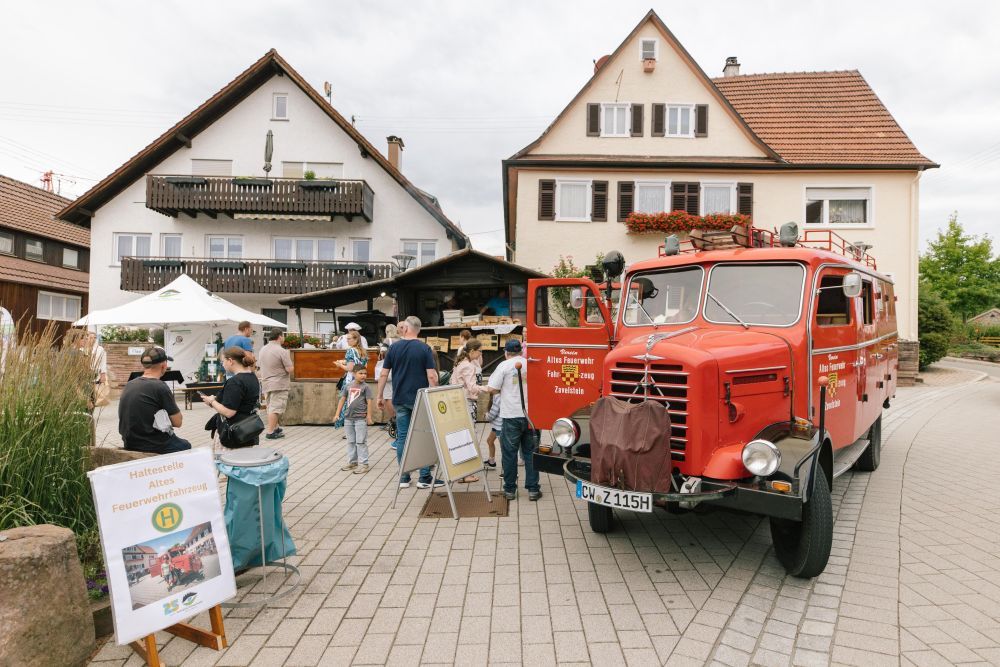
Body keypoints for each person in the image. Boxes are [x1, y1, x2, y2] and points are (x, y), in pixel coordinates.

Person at [377, 316, 442, 489]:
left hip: (399, 399)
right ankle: (424, 477)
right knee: (422, 437)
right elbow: (432, 376)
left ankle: (404, 477)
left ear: (406, 328)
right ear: (418, 330)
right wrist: (435, 395)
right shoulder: (424, 348)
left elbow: (383, 374)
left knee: (403, 438)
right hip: (419, 399)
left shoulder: (393, 348)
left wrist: (379, 396)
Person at [484, 339, 540, 501]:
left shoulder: (503, 366)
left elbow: (492, 388)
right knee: (531, 453)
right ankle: (533, 490)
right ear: (521, 352)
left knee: (509, 454)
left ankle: (509, 490)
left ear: (506, 353)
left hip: (511, 416)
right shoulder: (532, 364)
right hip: (532, 416)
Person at [118, 346, 191, 454]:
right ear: (164, 365)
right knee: (186, 445)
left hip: (130, 443)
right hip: (153, 444)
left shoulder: (130, 384)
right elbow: (178, 422)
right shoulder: (160, 387)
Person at [203, 347, 261, 449]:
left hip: (233, 433)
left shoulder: (235, 381)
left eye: (223, 362)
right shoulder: (252, 377)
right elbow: (241, 400)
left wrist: (211, 401)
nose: (223, 365)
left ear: (230, 361)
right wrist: (217, 399)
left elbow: (229, 412)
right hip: (247, 429)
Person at [449, 338, 483, 483]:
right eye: (480, 351)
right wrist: (487, 388)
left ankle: (461, 472)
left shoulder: (460, 363)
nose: (481, 354)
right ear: (472, 351)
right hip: (467, 402)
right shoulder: (469, 366)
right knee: (469, 436)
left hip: (457, 402)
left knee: (461, 436)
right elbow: (472, 387)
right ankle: (466, 474)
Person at [336, 367, 374, 474]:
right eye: (360, 373)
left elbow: (369, 402)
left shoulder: (366, 387)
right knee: (351, 441)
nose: (363, 375)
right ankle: (353, 462)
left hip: (360, 419)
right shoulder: (348, 386)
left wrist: (369, 416)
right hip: (348, 418)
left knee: (361, 441)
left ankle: (364, 464)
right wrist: (337, 414)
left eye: (365, 373)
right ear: (354, 373)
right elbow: (342, 399)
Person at [258, 328, 293, 440]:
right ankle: (270, 432)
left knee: (270, 407)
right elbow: (289, 369)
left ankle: (276, 427)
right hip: (279, 383)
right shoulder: (281, 351)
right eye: (283, 336)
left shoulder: (263, 349)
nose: (284, 338)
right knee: (276, 408)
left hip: (266, 382)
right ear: (279, 336)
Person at [333, 330, 366, 427]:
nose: (347, 340)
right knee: (357, 402)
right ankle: (357, 424)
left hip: (351, 380)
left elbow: (350, 368)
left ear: (356, 340)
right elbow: (360, 365)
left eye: (349, 339)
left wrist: (340, 365)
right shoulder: (362, 351)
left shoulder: (351, 351)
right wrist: (344, 362)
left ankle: (348, 426)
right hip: (361, 379)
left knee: (346, 402)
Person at [374, 344, 396, 439]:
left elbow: (386, 376)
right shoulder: (380, 363)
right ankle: (394, 422)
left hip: (391, 390)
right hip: (386, 390)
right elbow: (379, 377)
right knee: (390, 408)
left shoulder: (390, 362)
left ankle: (395, 423)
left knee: (393, 410)